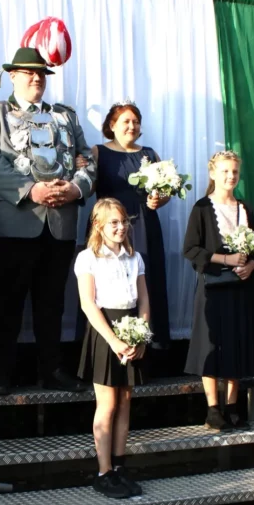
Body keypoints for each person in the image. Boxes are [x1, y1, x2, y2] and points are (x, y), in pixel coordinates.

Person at [0, 41, 94, 395]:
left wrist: (76, 189)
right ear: (12, 76)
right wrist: (32, 190)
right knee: (8, 300)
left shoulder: (65, 115)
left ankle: (51, 370)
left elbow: (86, 157)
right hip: (15, 222)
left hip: (59, 224)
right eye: (28, 73)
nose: (36, 79)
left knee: (52, 302)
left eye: (41, 73)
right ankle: (1, 374)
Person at [183, 151, 254, 432]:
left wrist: (250, 265)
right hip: (214, 289)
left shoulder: (245, 208)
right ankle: (213, 408)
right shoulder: (202, 208)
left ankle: (232, 405)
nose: (231, 177)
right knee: (211, 344)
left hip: (240, 287)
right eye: (225, 171)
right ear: (214, 174)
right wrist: (226, 260)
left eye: (235, 172)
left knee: (235, 343)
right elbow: (190, 249)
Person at [76, 198, 149, 499]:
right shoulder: (88, 258)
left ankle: (120, 467)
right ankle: (103, 471)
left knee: (125, 401)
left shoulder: (135, 257)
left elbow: (144, 300)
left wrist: (141, 335)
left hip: (132, 329)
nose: (121, 228)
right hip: (105, 331)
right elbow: (88, 304)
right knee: (106, 404)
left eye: (124, 222)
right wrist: (115, 340)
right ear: (99, 226)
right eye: (113, 223)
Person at [91, 102, 170, 351]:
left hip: (145, 228)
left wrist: (159, 199)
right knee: (107, 284)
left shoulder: (150, 154)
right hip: (108, 230)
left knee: (145, 283)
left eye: (135, 122)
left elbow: (166, 192)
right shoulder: (98, 152)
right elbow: (88, 188)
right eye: (125, 121)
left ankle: (147, 347)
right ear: (112, 125)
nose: (131, 126)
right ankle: (108, 346)